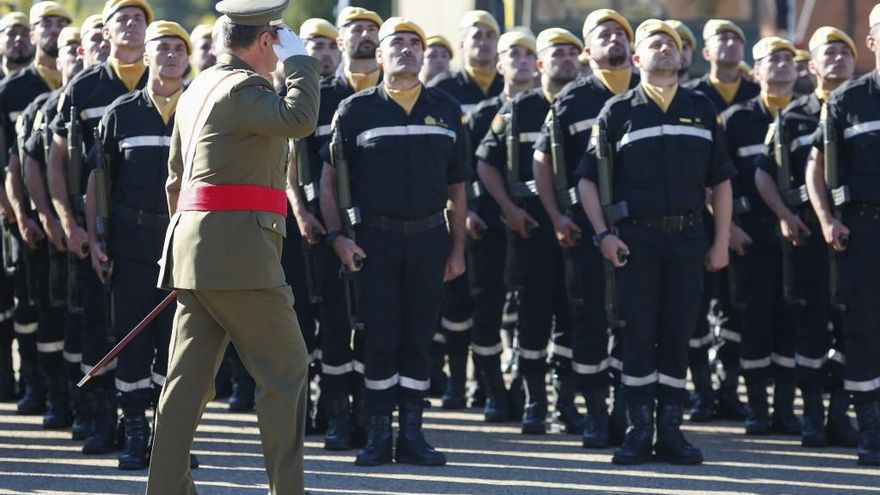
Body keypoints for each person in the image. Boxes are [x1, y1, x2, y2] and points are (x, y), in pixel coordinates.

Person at [145, 0, 319, 492]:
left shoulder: (199, 87)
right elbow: (300, 118)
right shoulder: (244, 89)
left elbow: (175, 180)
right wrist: (302, 63)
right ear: (265, 41)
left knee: (186, 385)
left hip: (196, 251)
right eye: (276, 40)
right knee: (286, 371)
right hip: (239, 254)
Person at [577, 19, 734, 465]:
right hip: (636, 242)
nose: (664, 48)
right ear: (636, 58)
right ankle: (637, 430)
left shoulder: (702, 109)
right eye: (653, 43)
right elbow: (587, 182)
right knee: (638, 336)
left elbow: (720, 182)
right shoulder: (617, 112)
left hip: (688, 239)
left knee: (677, 335)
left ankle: (670, 432)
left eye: (671, 43)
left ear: (683, 57)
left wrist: (720, 241)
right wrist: (603, 234)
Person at [320, 17, 467, 467]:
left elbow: (458, 188)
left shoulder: (446, 108)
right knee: (381, 339)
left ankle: (414, 434)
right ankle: (379, 432)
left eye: (413, 43)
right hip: (374, 242)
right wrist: (338, 239)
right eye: (395, 43)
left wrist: (458, 249)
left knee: (419, 338)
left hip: (428, 240)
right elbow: (329, 183)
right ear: (379, 55)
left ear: (424, 56)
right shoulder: (355, 110)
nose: (405, 49)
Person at [48, 0, 152, 455]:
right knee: (97, 326)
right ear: (105, 32)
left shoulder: (168, 82)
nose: (130, 26)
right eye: (121, 20)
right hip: (96, 232)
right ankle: (101, 418)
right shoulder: (83, 87)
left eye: (138, 19)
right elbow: (58, 161)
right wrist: (70, 225)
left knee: (153, 331)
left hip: (150, 232)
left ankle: (154, 430)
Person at [86, 20, 190, 471]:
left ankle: (170, 439)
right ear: (146, 57)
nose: (169, 55)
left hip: (187, 246)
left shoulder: (204, 110)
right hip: (131, 243)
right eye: (161, 48)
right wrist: (96, 239)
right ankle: (134, 435)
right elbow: (98, 180)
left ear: (188, 59)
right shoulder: (120, 113)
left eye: (177, 48)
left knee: (177, 347)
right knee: (133, 341)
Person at [532, 8, 637, 447]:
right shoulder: (572, 100)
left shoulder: (647, 94)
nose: (614, 39)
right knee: (589, 320)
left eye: (621, 33)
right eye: (603, 34)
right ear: (587, 51)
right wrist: (556, 216)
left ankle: (625, 413)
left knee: (635, 322)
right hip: (585, 231)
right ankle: (595, 411)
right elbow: (543, 160)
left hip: (640, 230)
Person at [753, 26, 859, 448]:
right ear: (810, 68)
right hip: (807, 236)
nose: (837, 60)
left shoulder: (864, 107)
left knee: (855, 327)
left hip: (858, 234)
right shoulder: (792, 116)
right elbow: (764, 174)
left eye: (844, 53)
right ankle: (812, 413)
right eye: (827, 54)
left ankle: (840, 412)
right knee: (811, 326)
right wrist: (783, 214)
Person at [477, 27, 584, 435]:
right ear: (542, 63)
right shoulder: (519, 108)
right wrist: (509, 209)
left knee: (573, 316)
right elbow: (485, 161)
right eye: (557, 52)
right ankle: (535, 404)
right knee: (533, 318)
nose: (566, 59)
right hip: (532, 227)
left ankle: (567, 403)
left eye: (573, 53)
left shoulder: (587, 103)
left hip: (578, 226)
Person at [290, 5, 382, 451]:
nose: (363, 36)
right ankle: (337, 415)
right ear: (341, 41)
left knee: (374, 323)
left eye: (372, 29)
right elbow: (290, 162)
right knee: (331, 323)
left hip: (379, 230)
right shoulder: (318, 96)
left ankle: (368, 412)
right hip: (323, 231)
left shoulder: (390, 93)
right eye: (355, 29)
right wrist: (303, 215)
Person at [805, 4, 880, 466]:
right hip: (866, 229)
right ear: (872, 42)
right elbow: (815, 169)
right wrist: (827, 219)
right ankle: (871, 428)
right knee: (865, 332)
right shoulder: (848, 99)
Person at [722, 36, 803, 437]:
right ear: (755, 70)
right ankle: (756, 407)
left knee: (792, 319)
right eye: (773, 59)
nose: (783, 65)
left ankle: (786, 409)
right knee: (754, 319)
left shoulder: (809, 115)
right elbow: (715, 179)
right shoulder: (736, 119)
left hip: (801, 236)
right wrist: (730, 229)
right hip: (751, 235)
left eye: (789, 58)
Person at [684, 18, 759, 422]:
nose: (730, 44)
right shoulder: (694, 97)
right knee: (696, 314)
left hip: (749, 226)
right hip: (702, 223)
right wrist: (722, 227)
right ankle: (702, 393)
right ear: (705, 53)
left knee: (735, 312)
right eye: (721, 38)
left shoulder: (754, 95)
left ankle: (730, 389)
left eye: (737, 37)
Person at [428, 9, 502, 411]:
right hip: (453, 212)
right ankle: (457, 381)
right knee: (455, 303)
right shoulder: (443, 90)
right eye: (475, 35)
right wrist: (461, 208)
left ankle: (489, 385)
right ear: (462, 44)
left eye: (490, 35)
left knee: (490, 301)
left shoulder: (510, 88)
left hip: (496, 217)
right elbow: (444, 161)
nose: (483, 42)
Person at [0, 0, 70, 425]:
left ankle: (65, 390)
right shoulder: (10, 91)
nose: (52, 30)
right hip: (22, 219)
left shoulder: (78, 85)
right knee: (28, 302)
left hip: (67, 219)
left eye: (63, 24)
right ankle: (34, 383)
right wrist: (12, 209)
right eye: (46, 23)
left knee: (61, 305)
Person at [464, 30, 537, 424]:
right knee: (487, 310)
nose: (522, 61)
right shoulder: (480, 115)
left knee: (531, 311)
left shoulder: (546, 109)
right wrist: (471, 211)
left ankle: (526, 389)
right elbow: (462, 168)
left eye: (529, 54)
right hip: (488, 228)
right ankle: (493, 389)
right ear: (500, 63)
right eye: (514, 54)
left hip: (535, 228)